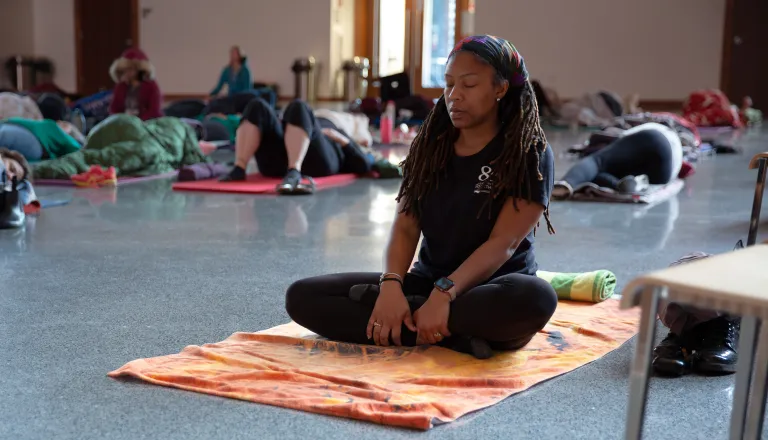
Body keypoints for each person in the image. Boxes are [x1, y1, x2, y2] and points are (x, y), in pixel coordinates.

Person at [284, 35, 557, 359]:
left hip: (491, 290)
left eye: (468, 85)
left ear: (500, 88)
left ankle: (413, 324)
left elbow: (504, 243)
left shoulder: (529, 152)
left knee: (537, 298)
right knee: (302, 297)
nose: (454, 96)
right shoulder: (431, 147)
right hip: (427, 284)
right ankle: (446, 331)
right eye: (449, 84)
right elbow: (405, 227)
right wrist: (391, 286)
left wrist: (445, 294)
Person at [220, 98, 373, 194]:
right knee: (256, 106)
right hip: (282, 156)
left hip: (316, 162)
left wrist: (341, 139)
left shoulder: (346, 125)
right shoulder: (306, 116)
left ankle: (294, 172)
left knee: (298, 105)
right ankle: (239, 167)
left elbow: (363, 164)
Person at [552, 122, 683, 199]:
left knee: (597, 161)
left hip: (657, 138)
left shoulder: (624, 142)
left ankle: (566, 183)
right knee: (596, 175)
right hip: (665, 172)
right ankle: (619, 185)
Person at [108, 48, 163, 121]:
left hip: (147, 123)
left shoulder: (151, 86)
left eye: (131, 69)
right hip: (125, 123)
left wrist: (139, 122)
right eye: (125, 69)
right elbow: (114, 109)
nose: (128, 72)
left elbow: (154, 111)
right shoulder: (121, 86)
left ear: (140, 69)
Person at [0, 118, 82, 162]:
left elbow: (79, 150)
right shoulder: (44, 124)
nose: (60, 122)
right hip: (23, 132)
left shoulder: (55, 128)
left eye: (64, 124)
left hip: (34, 139)